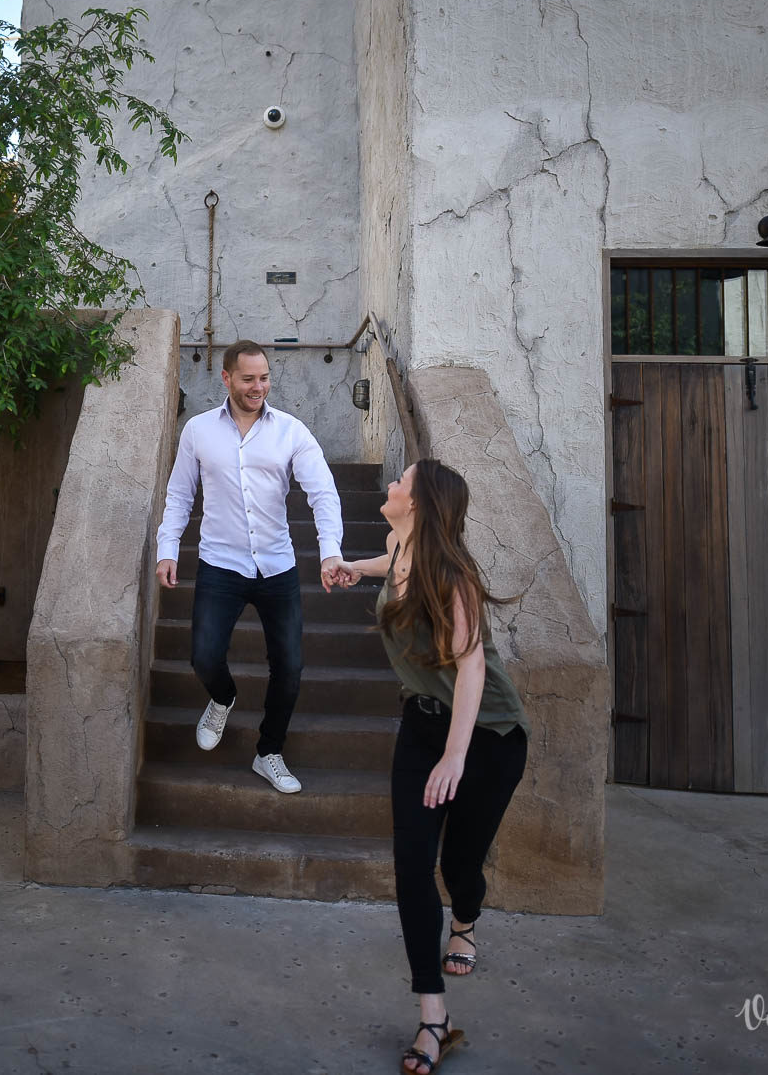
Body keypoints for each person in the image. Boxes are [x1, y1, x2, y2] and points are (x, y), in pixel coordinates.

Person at [328, 458, 529, 1074]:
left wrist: (456, 756)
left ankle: (465, 919)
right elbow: (390, 566)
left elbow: (470, 668)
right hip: (420, 730)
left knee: (461, 865)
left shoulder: (455, 577)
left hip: (487, 734)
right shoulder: (399, 549)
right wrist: (351, 569)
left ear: (417, 503)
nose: (391, 487)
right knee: (414, 867)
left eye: (401, 482)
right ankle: (433, 1017)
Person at [155, 341, 348, 794]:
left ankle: (269, 752)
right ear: (226, 378)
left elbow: (322, 493)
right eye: (248, 379)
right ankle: (222, 698)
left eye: (264, 378)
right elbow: (180, 493)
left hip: (276, 566)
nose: (258, 386)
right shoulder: (199, 431)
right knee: (203, 656)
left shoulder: (291, 432)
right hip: (220, 563)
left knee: (290, 665)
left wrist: (329, 552)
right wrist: (168, 547)